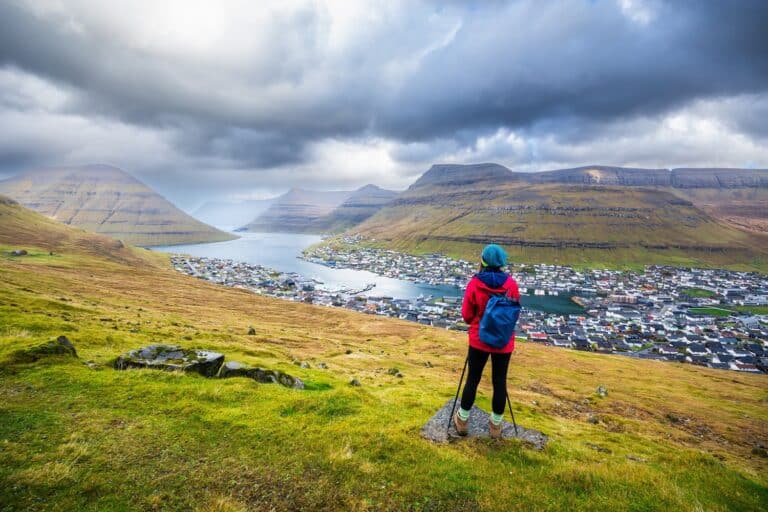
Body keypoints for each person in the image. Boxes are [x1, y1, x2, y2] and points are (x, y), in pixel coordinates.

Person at [454, 243, 520, 439]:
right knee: (500, 382)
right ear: (502, 262)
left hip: (479, 340)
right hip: (503, 341)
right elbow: (514, 313)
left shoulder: (475, 283)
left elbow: (467, 316)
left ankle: (462, 420)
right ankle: (495, 425)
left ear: (482, 261)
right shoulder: (511, 285)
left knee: (473, 379)